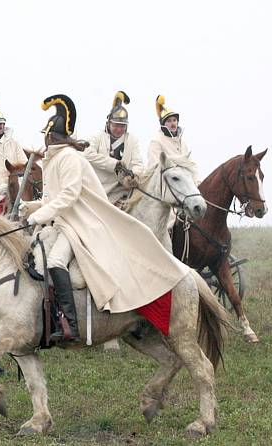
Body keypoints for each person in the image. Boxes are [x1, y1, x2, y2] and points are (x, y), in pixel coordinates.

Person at [19, 94, 190, 344]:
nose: (44, 140)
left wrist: (40, 216)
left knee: (55, 260)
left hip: (81, 222)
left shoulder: (69, 158)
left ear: (52, 137)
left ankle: (70, 324)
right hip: (64, 220)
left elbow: (69, 195)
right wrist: (29, 208)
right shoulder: (56, 160)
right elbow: (51, 198)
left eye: (46, 135)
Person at [83, 91, 143, 208]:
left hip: (122, 190)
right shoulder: (97, 136)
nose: (119, 129)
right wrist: (115, 164)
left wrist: (136, 175)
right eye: (115, 125)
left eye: (122, 126)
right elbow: (87, 154)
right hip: (97, 189)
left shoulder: (132, 140)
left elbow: (138, 163)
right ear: (109, 123)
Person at [147, 95, 200, 183]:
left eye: (174, 120)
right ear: (163, 124)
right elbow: (154, 168)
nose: (173, 123)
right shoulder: (156, 141)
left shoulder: (182, 141)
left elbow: (192, 165)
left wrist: (197, 183)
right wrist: (178, 162)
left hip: (187, 184)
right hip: (167, 186)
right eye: (169, 121)